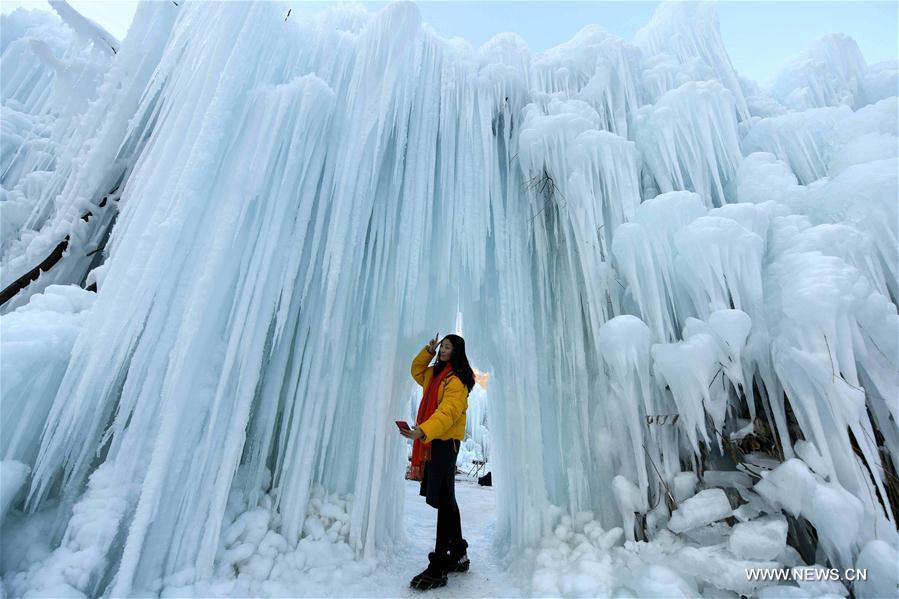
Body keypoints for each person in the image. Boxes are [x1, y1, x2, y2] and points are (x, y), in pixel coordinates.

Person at [400, 332, 476, 590]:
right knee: (447, 499)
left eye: (447, 347)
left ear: (457, 351)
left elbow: (448, 412)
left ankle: (439, 565)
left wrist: (423, 430)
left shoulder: (456, 380)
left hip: (445, 443)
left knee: (445, 501)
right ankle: (458, 554)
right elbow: (416, 369)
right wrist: (428, 350)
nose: (443, 350)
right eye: (442, 346)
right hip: (434, 440)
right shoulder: (434, 375)